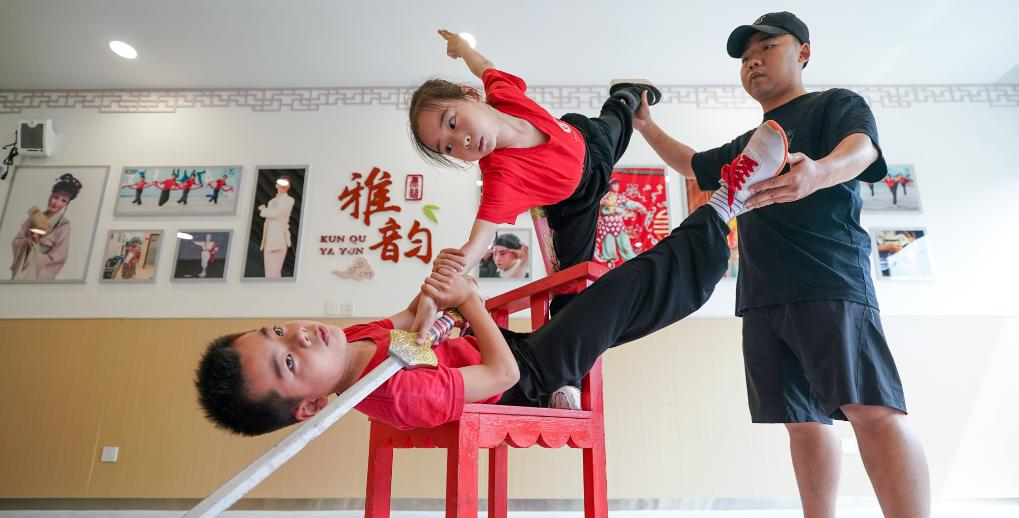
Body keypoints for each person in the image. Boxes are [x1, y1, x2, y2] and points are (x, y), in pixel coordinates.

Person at [632, 10, 945, 518]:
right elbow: (691, 165)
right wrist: (643, 124)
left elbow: (864, 150)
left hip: (829, 277)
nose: (753, 60)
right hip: (762, 294)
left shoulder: (832, 105)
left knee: (872, 408)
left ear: (802, 52)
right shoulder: (749, 142)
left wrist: (818, 172)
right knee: (802, 420)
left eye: (767, 47)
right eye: (744, 55)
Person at [195, 119, 787, 440]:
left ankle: (695, 221)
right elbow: (502, 375)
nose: (300, 337)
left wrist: (435, 292)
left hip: (503, 348)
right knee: (619, 294)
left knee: (597, 300)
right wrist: (471, 301)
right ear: (311, 406)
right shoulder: (396, 395)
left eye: (278, 331)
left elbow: (410, 322)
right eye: (288, 363)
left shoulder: (350, 344)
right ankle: (723, 205)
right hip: (522, 376)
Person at [407, 28, 662, 338]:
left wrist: (462, 47)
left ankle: (627, 93)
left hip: (586, 138)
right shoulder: (500, 177)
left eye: (452, 122)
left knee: (617, 117)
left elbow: (483, 65)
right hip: (576, 202)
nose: (462, 141)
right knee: (571, 286)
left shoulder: (503, 94)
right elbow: (477, 244)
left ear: (471, 95)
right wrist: (435, 293)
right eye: (448, 147)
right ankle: (566, 351)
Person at [10, 173, 82, 281]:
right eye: (55, 197)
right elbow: (17, 240)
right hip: (24, 262)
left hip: (40, 268)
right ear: (51, 195)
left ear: (67, 203)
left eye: (63, 200)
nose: (57, 203)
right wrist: (26, 242)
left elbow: (60, 255)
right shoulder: (34, 216)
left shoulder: (64, 225)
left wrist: (38, 259)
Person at [595, 177, 646, 264]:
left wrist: (640, 206)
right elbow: (596, 205)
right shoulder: (603, 197)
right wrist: (601, 203)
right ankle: (609, 262)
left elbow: (630, 204)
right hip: (606, 225)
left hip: (618, 225)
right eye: (614, 184)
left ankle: (631, 260)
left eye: (617, 184)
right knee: (608, 247)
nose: (617, 186)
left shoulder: (619, 197)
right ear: (610, 185)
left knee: (625, 245)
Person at [258, 176, 295, 278]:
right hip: (268, 239)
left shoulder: (289, 200)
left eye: (285, 184)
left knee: (273, 272)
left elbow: (276, 214)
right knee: (269, 272)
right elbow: (271, 215)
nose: (282, 186)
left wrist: (263, 210)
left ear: (288, 187)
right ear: (276, 185)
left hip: (278, 238)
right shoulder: (272, 201)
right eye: (280, 183)